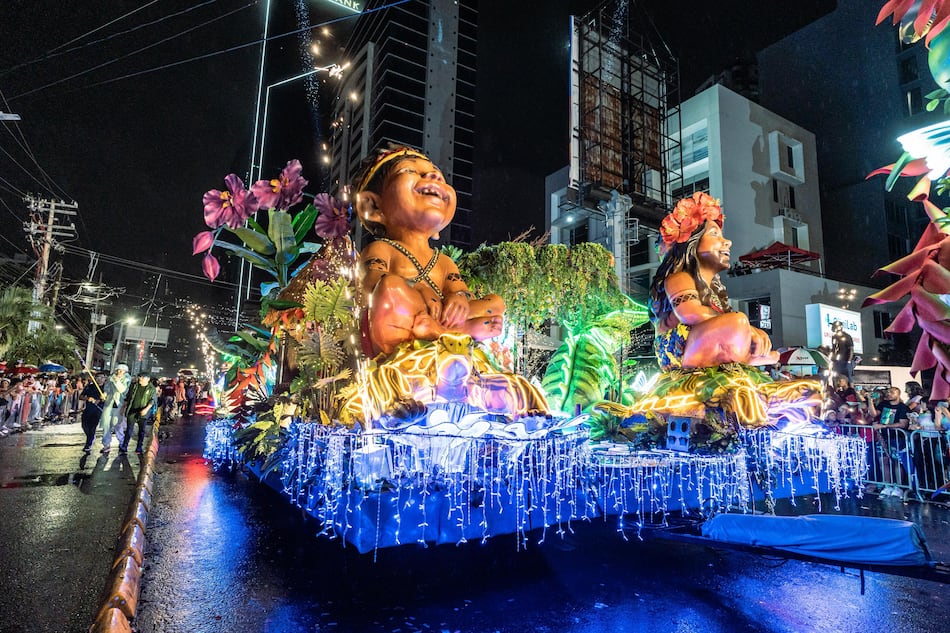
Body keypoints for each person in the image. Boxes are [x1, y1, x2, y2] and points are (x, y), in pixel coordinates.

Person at [354, 146, 505, 356]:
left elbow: (462, 291)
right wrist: (418, 288)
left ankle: (444, 331)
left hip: (434, 317)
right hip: (400, 324)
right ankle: (457, 332)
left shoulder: (444, 262)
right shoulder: (381, 249)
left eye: (439, 176)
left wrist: (459, 299)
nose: (433, 175)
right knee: (390, 288)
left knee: (496, 303)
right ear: (373, 207)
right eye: (409, 171)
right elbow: (372, 283)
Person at [649, 192, 779, 370]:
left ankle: (744, 358)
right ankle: (741, 359)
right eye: (714, 235)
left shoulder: (714, 292)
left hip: (705, 345)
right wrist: (746, 328)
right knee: (737, 322)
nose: (728, 242)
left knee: (772, 355)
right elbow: (691, 313)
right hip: (678, 353)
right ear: (691, 245)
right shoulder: (679, 278)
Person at [867, 385, 912, 498]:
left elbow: (903, 423)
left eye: (892, 392)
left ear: (898, 394)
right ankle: (888, 485)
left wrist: (884, 426)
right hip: (883, 437)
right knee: (884, 462)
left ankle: (898, 487)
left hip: (897, 438)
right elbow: (873, 414)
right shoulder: (883, 405)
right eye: (888, 392)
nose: (889, 394)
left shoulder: (903, 407)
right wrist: (870, 401)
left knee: (897, 462)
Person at [120, 372, 157, 454]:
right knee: (129, 429)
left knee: (141, 430)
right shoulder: (134, 386)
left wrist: (146, 409)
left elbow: (152, 401)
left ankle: (139, 447)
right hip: (132, 410)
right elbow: (128, 397)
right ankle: (124, 446)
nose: (139, 379)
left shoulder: (151, 388)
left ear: (147, 379)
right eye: (139, 377)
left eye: (142, 377)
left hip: (143, 412)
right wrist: (123, 408)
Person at [98, 364, 130, 454]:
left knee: (118, 424)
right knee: (106, 425)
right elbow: (107, 388)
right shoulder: (111, 378)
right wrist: (104, 394)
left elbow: (123, 390)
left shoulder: (127, 379)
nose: (119, 372)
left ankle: (122, 443)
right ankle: (106, 445)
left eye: (121, 371)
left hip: (119, 404)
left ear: (125, 372)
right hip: (109, 403)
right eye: (118, 370)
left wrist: (117, 381)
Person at [79, 373, 107, 453]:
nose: (99, 379)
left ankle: (88, 444)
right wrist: (88, 398)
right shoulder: (90, 386)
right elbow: (81, 396)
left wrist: (101, 399)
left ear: (104, 379)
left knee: (92, 427)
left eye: (102, 377)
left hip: (98, 410)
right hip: (88, 409)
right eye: (98, 377)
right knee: (84, 426)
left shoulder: (106, 388)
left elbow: (109, 399)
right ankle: (90, 437)